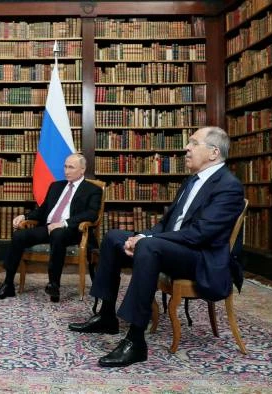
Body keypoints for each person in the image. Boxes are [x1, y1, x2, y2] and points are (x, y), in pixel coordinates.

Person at [68, 126, 245, 367]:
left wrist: (147, 242)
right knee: (113, 238)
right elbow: (165, 225)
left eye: (193, 143)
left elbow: (200, 234)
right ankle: (107, 315)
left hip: (200, 257)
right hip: (174, 247)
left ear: (213, 153)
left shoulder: (228, 186)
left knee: (149, 248)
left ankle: (136, 340)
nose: (186, 148)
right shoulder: (191, 181)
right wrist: (140, 235)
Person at [0, 153, 103, 302]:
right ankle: (8, 283)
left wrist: (63, 223)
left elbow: (91, 215)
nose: (66, 171)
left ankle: (54, 284)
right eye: (65, 166)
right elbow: (43, 210)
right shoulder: (56, 186)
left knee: (57, 233)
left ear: (82, 170)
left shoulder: (92, 189)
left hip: (72, 231)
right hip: (48, 227)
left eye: (71, 167)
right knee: (19, 236)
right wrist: (25, 217)